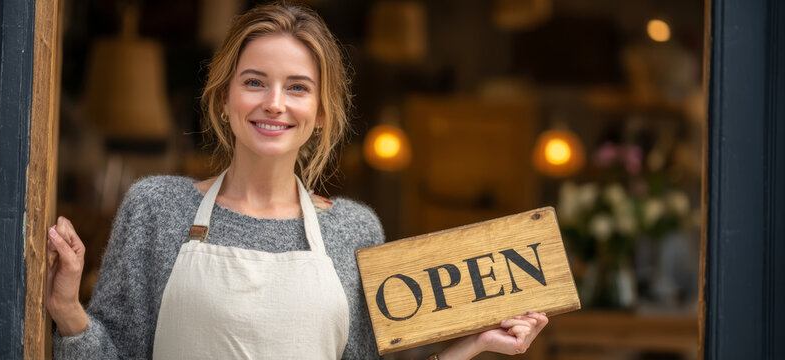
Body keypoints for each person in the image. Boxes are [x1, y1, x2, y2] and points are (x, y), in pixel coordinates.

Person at [46, 3, 549, 359]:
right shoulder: (156, 207)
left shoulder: (354, 229)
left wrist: (472, 345)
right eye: (255, 82)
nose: (275, 103)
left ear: (322, 112)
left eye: (298, 88)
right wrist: (67, 309)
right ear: (224, 98)